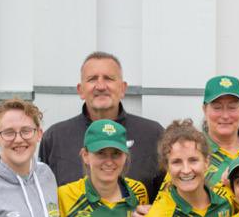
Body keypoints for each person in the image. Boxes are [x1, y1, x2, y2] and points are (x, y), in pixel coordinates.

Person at [39, 51, 165, 199]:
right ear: (80, 90)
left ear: (123, 88)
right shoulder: (56, 138)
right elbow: (43, 200)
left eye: (109, 78)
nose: (100, 86)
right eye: (92, 79)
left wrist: (152, 211)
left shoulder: (153, 134)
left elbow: (170, 196)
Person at [201, 74, 239, 186]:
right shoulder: (192, 150)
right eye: (217, 108)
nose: (225, 115)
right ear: (205, 110)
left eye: (232, 107)